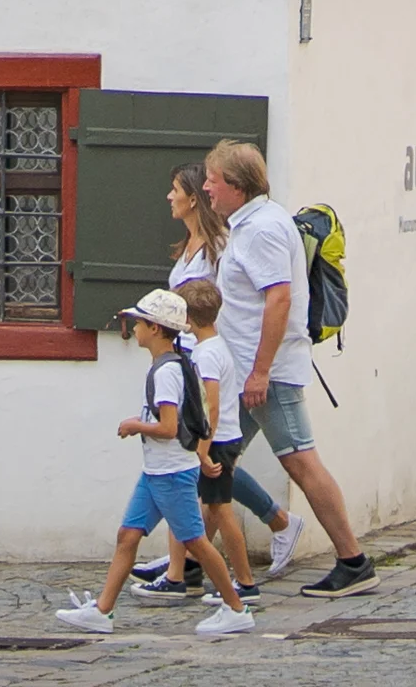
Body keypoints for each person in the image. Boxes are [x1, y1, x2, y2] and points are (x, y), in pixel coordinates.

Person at [201, 140, 378, 598]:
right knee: (214, 460)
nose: (206, 188)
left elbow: (279, 298)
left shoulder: (262, 229)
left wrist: (260, 372)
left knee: (300, 460)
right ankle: (191, 562)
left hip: (266, 375)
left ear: (237, 187)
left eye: (213, 180)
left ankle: (353, 561)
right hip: (244, 373)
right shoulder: (252, 223)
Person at [128, 164, 304, 590]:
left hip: (205, 363)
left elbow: (224, 303)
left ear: (191, 198)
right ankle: (186, 562)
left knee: (206, 462)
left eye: (175, 190)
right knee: (207, 465)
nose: (169, 198)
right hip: (185, 360)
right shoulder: (189, 244)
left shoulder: (219, 247)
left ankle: (263, 535)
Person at [54, 289, 255, 635]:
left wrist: (135, 425)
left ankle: (236, 608)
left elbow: (168, 427)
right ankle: (102, 611)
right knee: (128, 535)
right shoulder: (175, 364)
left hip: (172, 473)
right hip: (156, 472)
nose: (134, 327)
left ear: (157, 329)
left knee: (196, 542)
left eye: (140, 322)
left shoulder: (166, 373)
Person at [124, 280, 262, 605]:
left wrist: (201, 449)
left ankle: (242, 582)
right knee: (202, 511)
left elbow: (209, 405)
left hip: (217, 441)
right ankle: (182, 573)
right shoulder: (213, 348)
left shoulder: (207, 355)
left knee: (220, 512)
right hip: (221, 439)